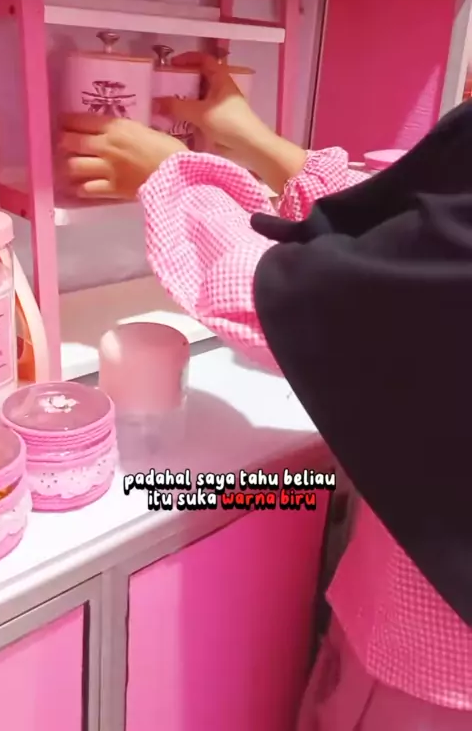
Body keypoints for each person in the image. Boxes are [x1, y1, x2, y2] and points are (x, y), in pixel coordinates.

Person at [61, 53, 472, 730]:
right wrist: (251, 140)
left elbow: (330, 302)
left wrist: (173, 178)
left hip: (436, 651)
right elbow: (408, 232)